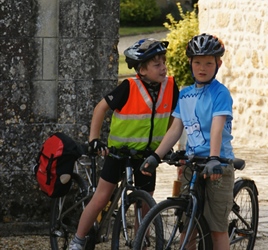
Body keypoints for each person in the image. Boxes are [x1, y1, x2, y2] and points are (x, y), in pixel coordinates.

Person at [69, 38, 179, 250]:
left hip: (148, 156)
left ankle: (140, 240)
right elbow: (100, 108)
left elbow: (174, 116)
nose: (163, 67)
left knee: (145, 203)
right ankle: (78, 240)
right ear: (142, 70)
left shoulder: (171, 87)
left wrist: (166, 144)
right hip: (118, 153)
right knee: (101, 198)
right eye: (157, 65)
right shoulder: (129, 87)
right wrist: (94, 140)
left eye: (164, 62)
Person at [140, 33, 235, 250]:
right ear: (190, 63)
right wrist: (156, 156)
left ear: (218, 64)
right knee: (187, 224)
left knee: (217, 228)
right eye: (198, 62)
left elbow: (217, 128)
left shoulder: (220, 93)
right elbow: (175, 129)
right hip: (192, 164)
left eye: (209, 63)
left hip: (217, 164)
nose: (202, 68)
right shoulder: (185, 94)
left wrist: (213, 158)